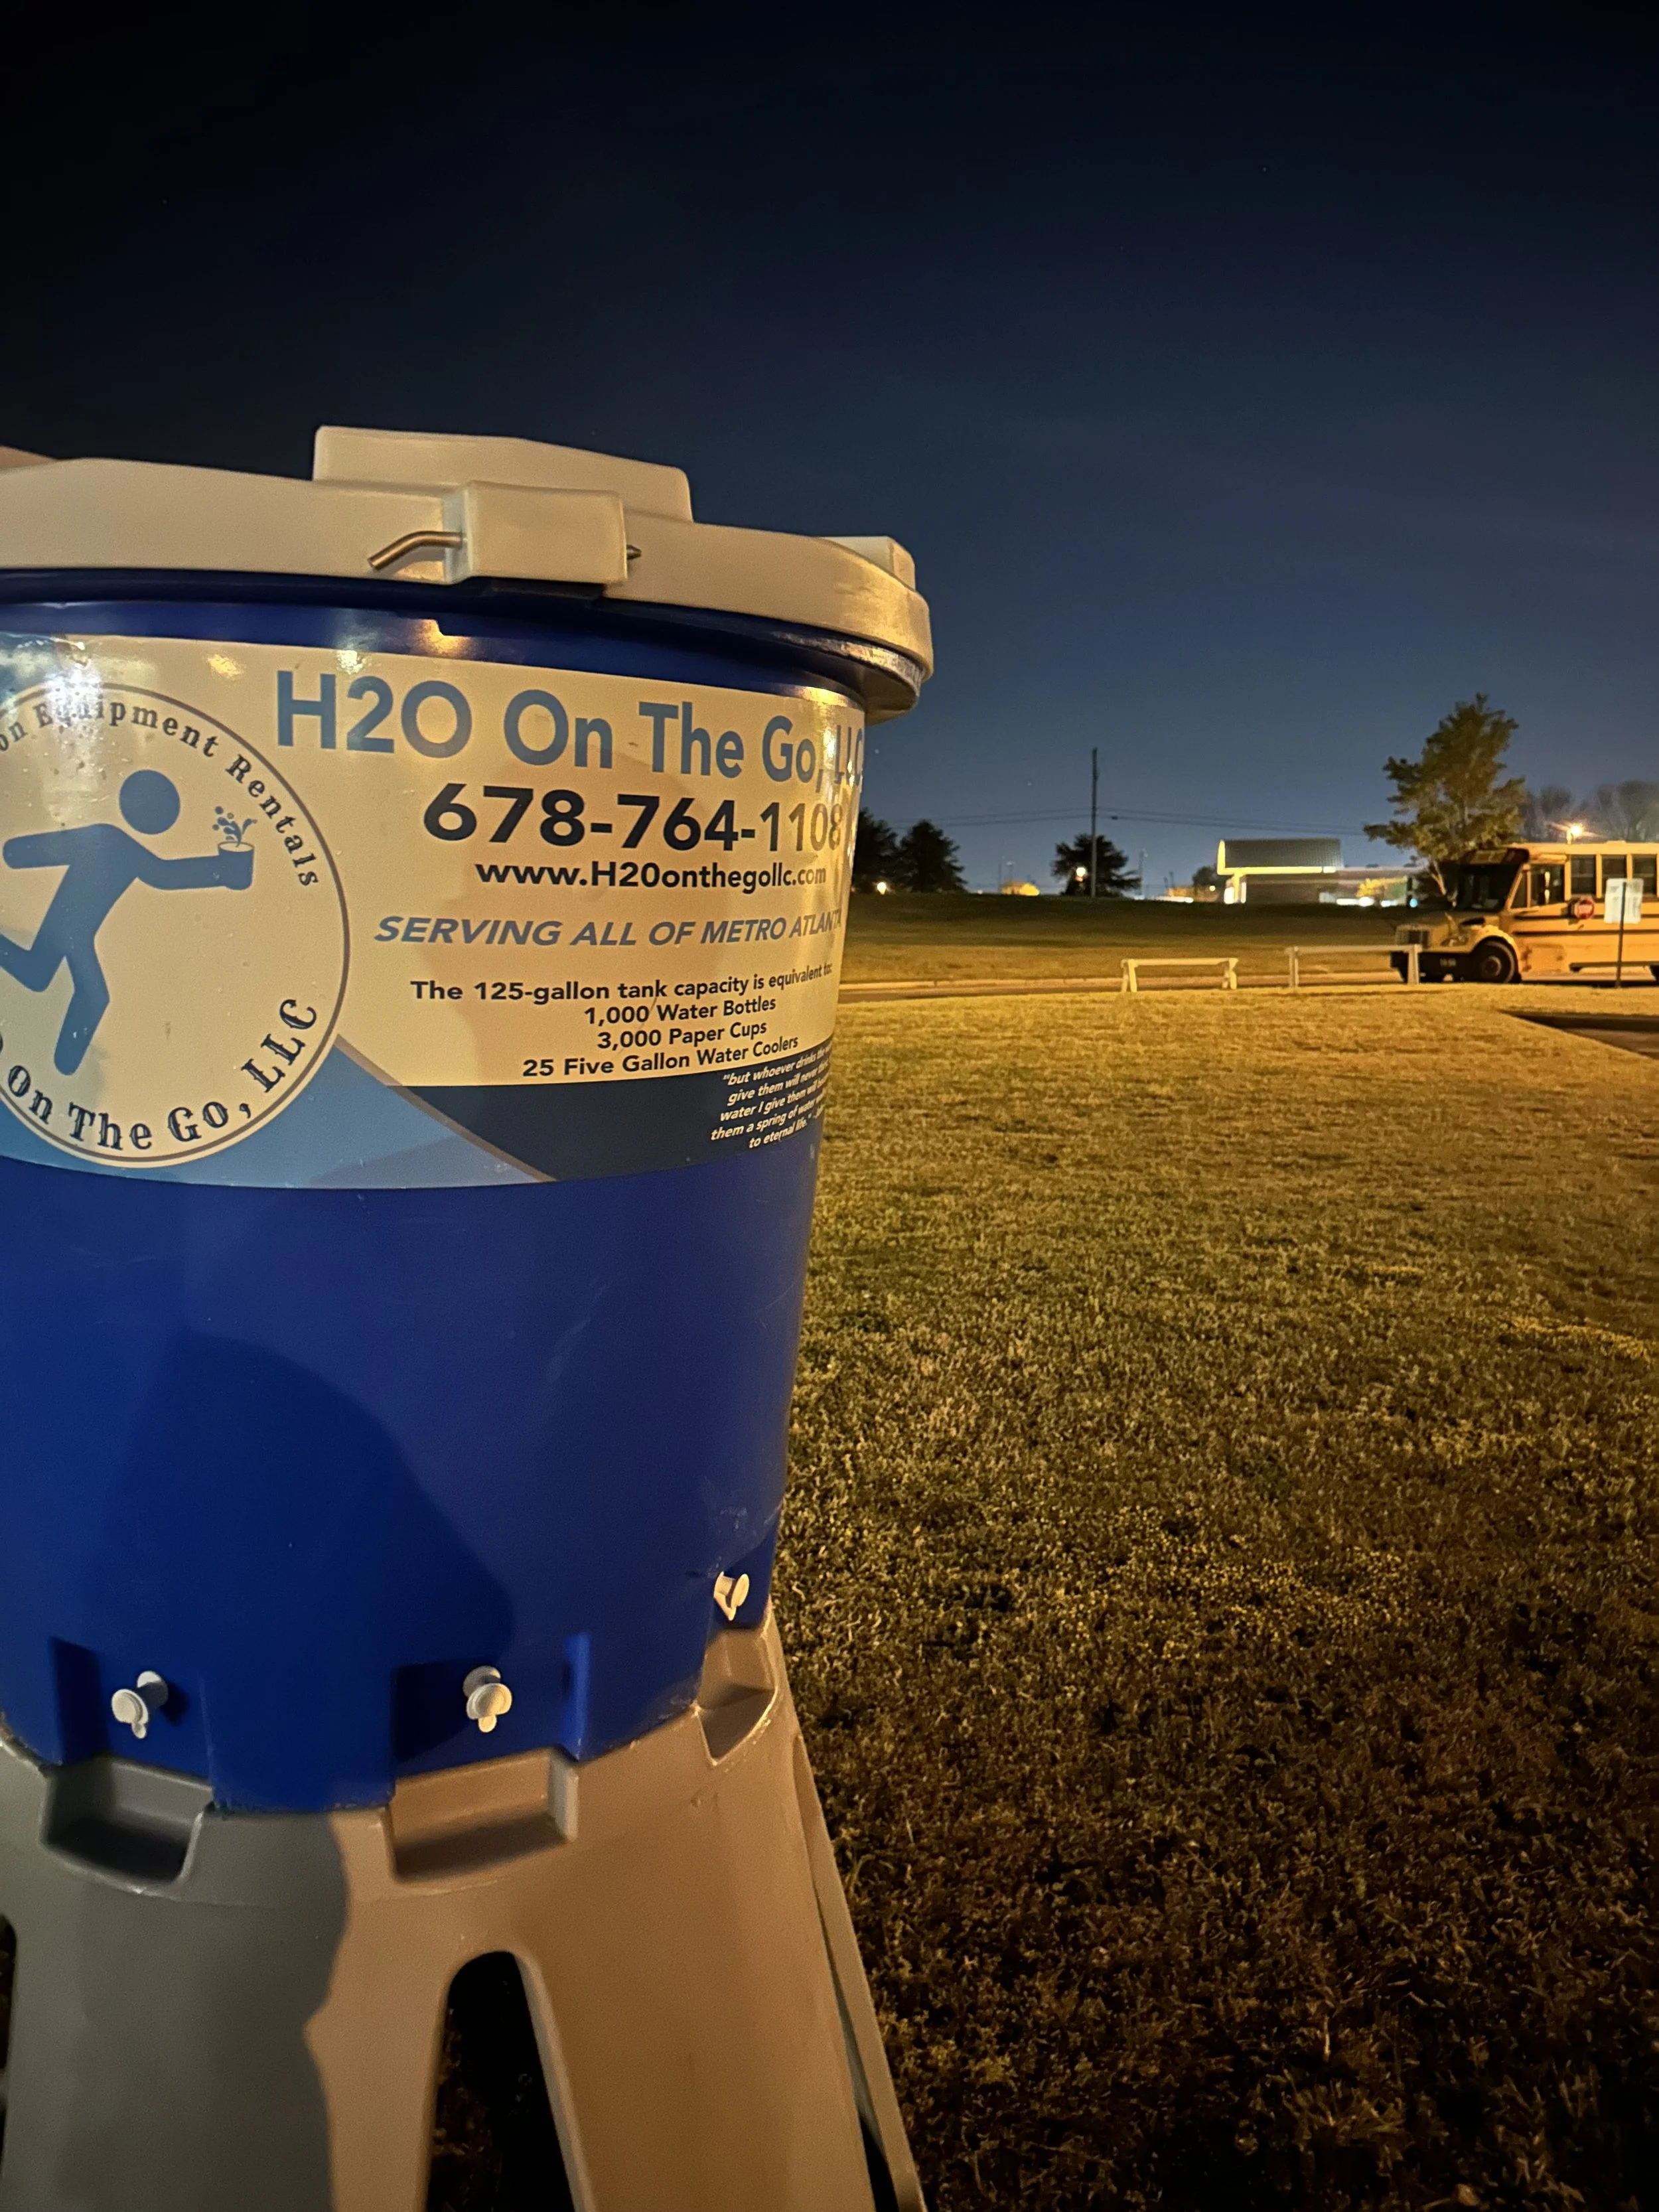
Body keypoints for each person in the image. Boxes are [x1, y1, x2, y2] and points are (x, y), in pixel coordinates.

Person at [0, 769, 254, 1075]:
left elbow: (165, 875)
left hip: (72, 930)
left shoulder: (120, 846)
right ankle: (67, 1070)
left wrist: (223, 872)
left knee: (40, 974)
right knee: (90, 994)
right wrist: (224, 871)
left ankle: (66, 1071)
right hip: (71, 931)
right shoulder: (106, 840)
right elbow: (165, 875)